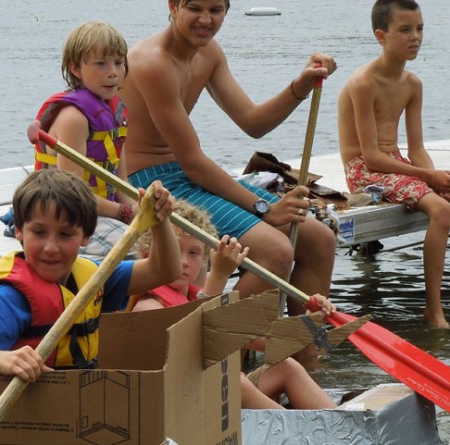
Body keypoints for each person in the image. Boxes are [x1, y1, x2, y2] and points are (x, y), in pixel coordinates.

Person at [121, 0, 337, 320]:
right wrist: (264, 208)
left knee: (319, 239)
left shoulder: (209, 53)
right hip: (151, 181)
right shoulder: (153, 63)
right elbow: (194, 161)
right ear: (173, 6)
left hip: (186, 174)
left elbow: (253, 123)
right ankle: (211, 341)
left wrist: (302, 84)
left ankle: (307, 357)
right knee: (276, 252)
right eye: (195, 8)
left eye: (216, 10)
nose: (206, 19)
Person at [338, 0, 450, 328]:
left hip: (397, 164)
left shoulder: (412, 84)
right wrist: (427, 176)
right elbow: (370, 156)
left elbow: (416, 149)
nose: (415, 37)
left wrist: (436, 175)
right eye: (405, 30)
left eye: (420, 29)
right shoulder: (363, 83)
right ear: (381, 36)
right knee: (441, 210)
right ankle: (434, 312)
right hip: (364, 170)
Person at [0, 168, 181, 381]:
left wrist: (159, 220)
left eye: (65, 234)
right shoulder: (9, 297)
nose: (50, 247)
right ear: (19, 231)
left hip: (74, 406)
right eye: (39, 232)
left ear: (85, 236)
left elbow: (165, 270)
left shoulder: (92, 275)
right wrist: (1, 359)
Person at [130, 201, 336, 410]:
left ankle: (337, 425)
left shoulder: (197, 297)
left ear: (203, 259)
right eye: (174, 250)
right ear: (147, 255)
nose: (184, 262)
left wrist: (310, 321)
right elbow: (192, 345)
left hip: (212, 395)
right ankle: (302, 435)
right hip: (180, 408)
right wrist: (218, 277)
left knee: (286, 366)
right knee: (237, 383)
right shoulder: (147, 308)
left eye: (193, 253)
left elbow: (268, 341)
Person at [33, 21, 134, 261]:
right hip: (64, 216)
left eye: (119, 63)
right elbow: (72, 193)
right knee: (140, 249)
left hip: (102, 212)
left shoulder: (114, 113)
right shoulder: (74, 119)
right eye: (101, 64)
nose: (113, 72)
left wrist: (138, 210)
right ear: (76, 69)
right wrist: (123, 213)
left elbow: (121, 182)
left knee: (170, 239)